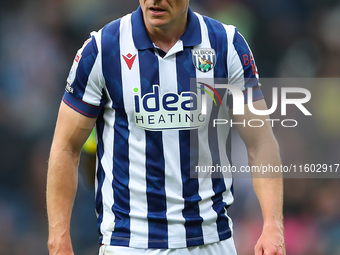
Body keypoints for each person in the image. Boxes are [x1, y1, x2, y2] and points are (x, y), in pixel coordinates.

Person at [46, 0, 285, 254]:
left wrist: (273, 224)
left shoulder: (225, 44)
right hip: (130, 243)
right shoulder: (103, 49)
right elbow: (66, 148)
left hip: (211, 241)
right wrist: (58, 239)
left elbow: (261, 143)